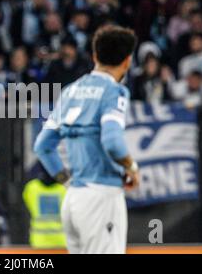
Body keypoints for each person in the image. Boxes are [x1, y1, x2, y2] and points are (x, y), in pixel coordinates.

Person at [34, 25, 140, 254]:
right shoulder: (115, 92)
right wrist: (131, 167)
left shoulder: (70, 91)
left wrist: (67, 182)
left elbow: (42, 146)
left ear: (94, 56)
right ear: (127, 61)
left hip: (73, 199)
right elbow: (113, 141)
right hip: (101, 195)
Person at [23, 162, 66, 248]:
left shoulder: (31, 187)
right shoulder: (63, 190)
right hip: (61, 241)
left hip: (39, 241)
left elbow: (28, 205)